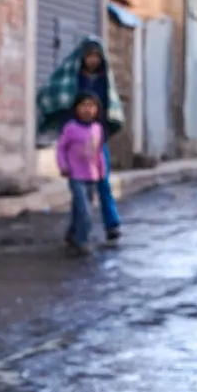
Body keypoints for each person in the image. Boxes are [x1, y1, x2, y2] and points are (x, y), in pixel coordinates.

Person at [38, 38, 124, 242]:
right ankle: (75, 231)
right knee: (80, 193)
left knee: (102, 182)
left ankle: (111, 224)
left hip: (96, 138)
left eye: (96, 56)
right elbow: (57, 95)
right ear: (81, 57)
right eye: (89, 56)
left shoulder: (104, 78)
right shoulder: (71, 76)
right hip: (76, 139)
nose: (92, 60)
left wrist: (101, 128)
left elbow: (110, 105)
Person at [55, 92, 107, 255]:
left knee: (79, 209)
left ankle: (72, 233)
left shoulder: (97, 129)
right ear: (76, 108)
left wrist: (102, 170)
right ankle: (82, 241)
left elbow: (99, 152)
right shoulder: (71, 128)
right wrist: (63, 166)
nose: (87, 110)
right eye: (83, 106)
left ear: (97, 110)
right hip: (75, 175)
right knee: (85, 210)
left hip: (91, 176)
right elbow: (60, 148)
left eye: (91, 106)